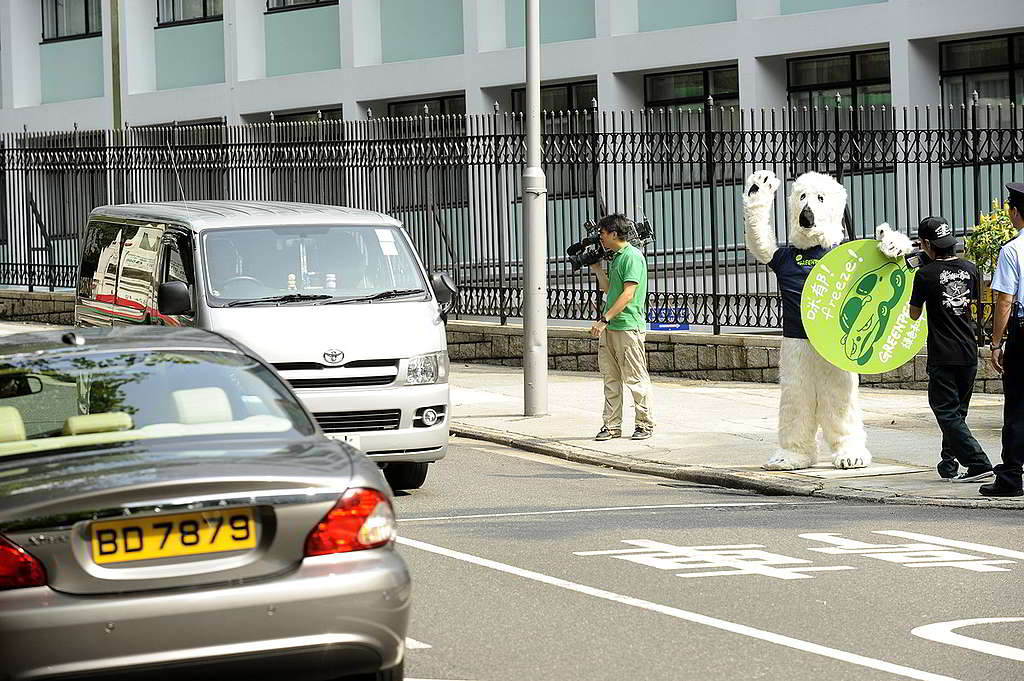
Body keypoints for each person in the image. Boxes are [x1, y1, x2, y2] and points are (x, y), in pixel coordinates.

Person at [908, 217, 993, 482]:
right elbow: (974, 301)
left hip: (943, 355)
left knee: (945, 412)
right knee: (957, 414)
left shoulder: (924, 275)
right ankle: (949, 466)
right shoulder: (971, 269)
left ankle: (978, 463)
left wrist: (921, 276)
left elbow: (913, 314)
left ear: (925, 244)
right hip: (968, 351)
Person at [588, 214, 654, 441]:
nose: (600, 238)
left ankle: (644, 424)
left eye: (603, 233)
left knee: (635, 378)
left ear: (614, 234)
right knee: (611, 378)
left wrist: (604, 319)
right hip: (613, 327)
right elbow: (609, 289)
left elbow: (628, 294)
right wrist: (597, 269)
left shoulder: (632, 257)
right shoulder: (616, 258)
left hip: (627, 326)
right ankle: (612, 425)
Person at [982, 182, 1024, 497]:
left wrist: (996, 343)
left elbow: (1005, 302)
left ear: (1014, 212)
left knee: (1018, 406)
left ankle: (1010, 477)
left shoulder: (1012, 250)